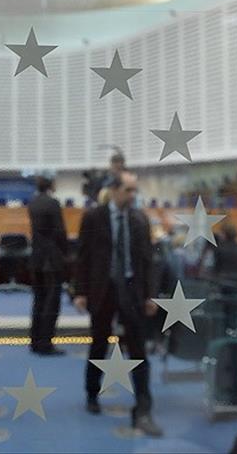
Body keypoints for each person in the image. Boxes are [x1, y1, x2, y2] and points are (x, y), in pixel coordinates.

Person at [73, 171, 163, 437]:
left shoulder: (139, 219)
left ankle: (143, 407)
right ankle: (92, 394)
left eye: (135, 190)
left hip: (132, 291)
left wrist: (150, 295)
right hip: (103, 290)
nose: (132, 195)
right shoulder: (93, 217)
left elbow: (148, 261)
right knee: (99, 344)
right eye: (128, 190)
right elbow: (82, 257)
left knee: (138, 349)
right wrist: (80, 292)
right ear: (113, 190)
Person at [27, 172, 68, 355]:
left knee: (39, 300)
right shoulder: (53, 203)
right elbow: (60, 231)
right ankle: (46, 343)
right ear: (51, 185)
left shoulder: (33, 202)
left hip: (36, 256)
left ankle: (35, 340)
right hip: (51, 258)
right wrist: (64, 253)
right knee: (52, 302)